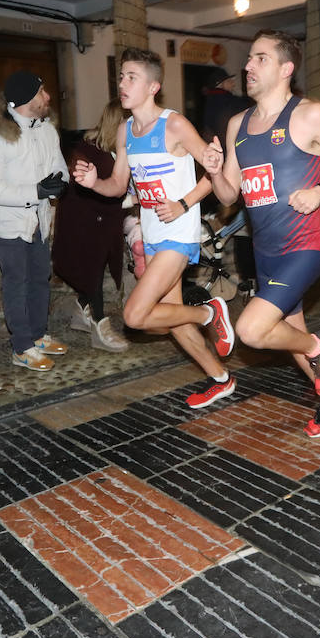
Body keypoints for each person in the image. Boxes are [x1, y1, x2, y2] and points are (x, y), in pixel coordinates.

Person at [202, 29, 320, 438]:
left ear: (285, 68)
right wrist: (213, 168)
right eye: (248, 58)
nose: (247, 66)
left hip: (303, 246)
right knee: (290, 333)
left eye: (259, 58)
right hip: (264, 251)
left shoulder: (308, 115)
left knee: (252, 330)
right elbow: (230, 194)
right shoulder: (236, 124)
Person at [72, 48, 235, 409]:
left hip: (179, 232)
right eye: (121, 76)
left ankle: (210, 312)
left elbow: (213, 173)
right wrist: (94, 183)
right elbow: (117, 186)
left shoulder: (174, 125)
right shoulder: (126, 131)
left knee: (134, 315)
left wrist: (184, 203)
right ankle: (221, 378)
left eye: (132, 77)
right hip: (153, 232)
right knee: (171, 317)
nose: (122, 83)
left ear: (153, 86)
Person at [0, 71, 70, 370]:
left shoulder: (47, 130)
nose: (48, 97)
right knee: (17, 282)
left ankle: (38, 335)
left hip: (40, 219)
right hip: (10, 223)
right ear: (27, 98)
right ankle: (22, 347)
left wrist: (60, 184)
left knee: (40, 278)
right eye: (42, 92)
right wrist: (36, 191)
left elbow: (59, 167)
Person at [52, 99, 130, 352]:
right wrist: (132, 198)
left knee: (95, 270)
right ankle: (99, 325)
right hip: (84, 225)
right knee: (92, 269)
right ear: (117, 125)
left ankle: (82, 311)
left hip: (103, 222)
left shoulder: (116, 150)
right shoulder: (88, 153)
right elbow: (89, 194)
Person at [200, 68, 252, 148]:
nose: (233, 84)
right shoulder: (231, 101)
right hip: (230, 146)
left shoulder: (208, 100)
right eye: (229, 81)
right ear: (220, 84)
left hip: (214, 146)